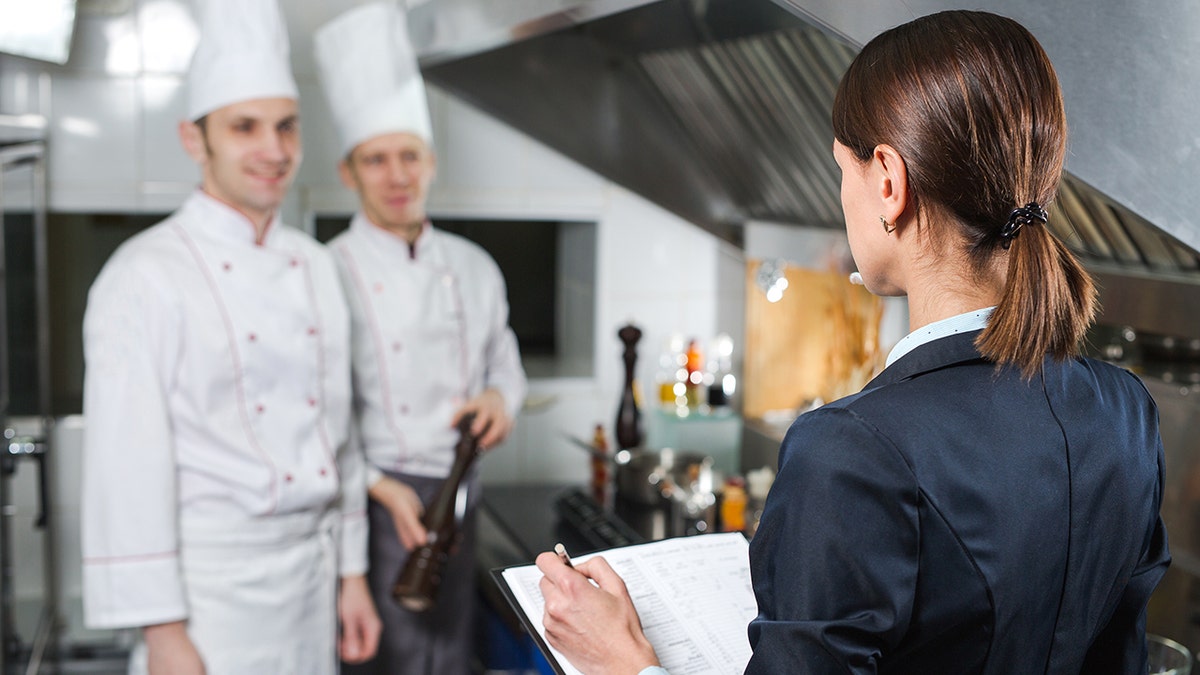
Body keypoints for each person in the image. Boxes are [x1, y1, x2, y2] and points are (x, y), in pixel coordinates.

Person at [535, 10, 1169, 674]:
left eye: (844, 169)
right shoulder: (1126, 410)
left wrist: (624, 662)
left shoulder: (852, 450)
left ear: (888, 182)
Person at [80, 0, 380, 672]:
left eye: (286, 126)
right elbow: (125, 468)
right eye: (244, 127)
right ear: (195, 139)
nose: (274, 150)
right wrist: (163, 632)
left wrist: (352, 575)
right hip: (208, 601)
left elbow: (342, 435)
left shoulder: (317, 265)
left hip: (313, 582)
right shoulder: (144, 275)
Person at [313, 3, 528, 673]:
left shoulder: (474, 266)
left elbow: (504, 363)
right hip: (374, 500)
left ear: (431, 162)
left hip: (462, 492)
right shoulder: (324, 273)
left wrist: (499, 398)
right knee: (382, 656)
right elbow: (315, 413)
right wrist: (379, 485)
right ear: (348, 173)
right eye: (375, 160)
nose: (397, 175)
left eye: (409, 156)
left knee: (451, 653)